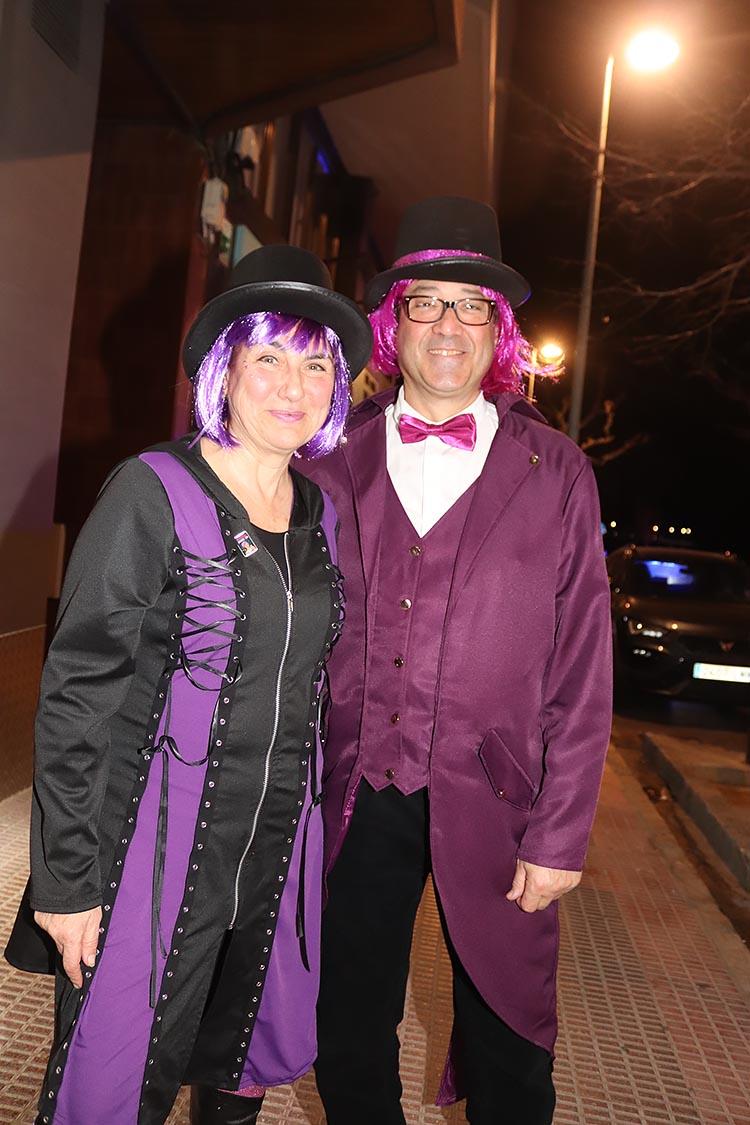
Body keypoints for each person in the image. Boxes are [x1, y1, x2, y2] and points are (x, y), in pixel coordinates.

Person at [4, 244, 372, 1125]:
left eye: (316, 365)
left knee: (236, 1076)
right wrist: (67, 882)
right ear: (225, 370)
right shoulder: (150, 491)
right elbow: (78, 693)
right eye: (269, 358)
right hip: (151, 854)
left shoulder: (318, 511)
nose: (294, 386)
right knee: (117, 1086)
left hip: (272, 858)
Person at [303, 196, 613, 1125]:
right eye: (427, 302)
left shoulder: (557, 471)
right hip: (356, 789)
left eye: (472, 305)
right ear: (393, 322)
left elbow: (584, 669)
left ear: (499, 329)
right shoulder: (329, 457)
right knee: (346, 1030)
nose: (448, 324)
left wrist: (561, 836)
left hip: (502, 797)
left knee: (511, 1043)